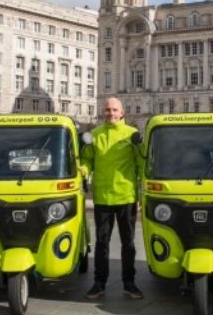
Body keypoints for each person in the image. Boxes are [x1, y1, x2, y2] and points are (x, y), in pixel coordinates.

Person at [81, 97, 144, 300]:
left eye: (115, 109)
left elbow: (141, 164)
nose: (111, 113)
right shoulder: (95, 135)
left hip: (126, 196)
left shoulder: (132, 135)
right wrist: (83, 169)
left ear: (122, 112)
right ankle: (99, 283)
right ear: (103, 112)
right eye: (107, 109)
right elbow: (87, 160)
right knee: (101, 243)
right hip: (102, 197)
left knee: (129, 243)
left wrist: (142, 194)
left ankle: (129, 283)